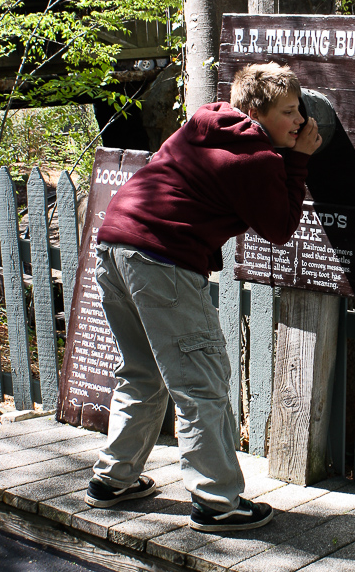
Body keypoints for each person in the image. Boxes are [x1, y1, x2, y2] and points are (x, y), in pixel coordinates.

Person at [84, 62, 322, 532]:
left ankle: (112, 480)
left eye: (301, 111)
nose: (300, 121)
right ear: (256, 111)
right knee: (201, 381)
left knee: (141, 370)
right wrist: (299, 159)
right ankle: (217, 501)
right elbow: (278, 227)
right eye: (289, 112)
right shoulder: (257, 158)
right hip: (161, 258)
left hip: (114, 245)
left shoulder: (204, 121)